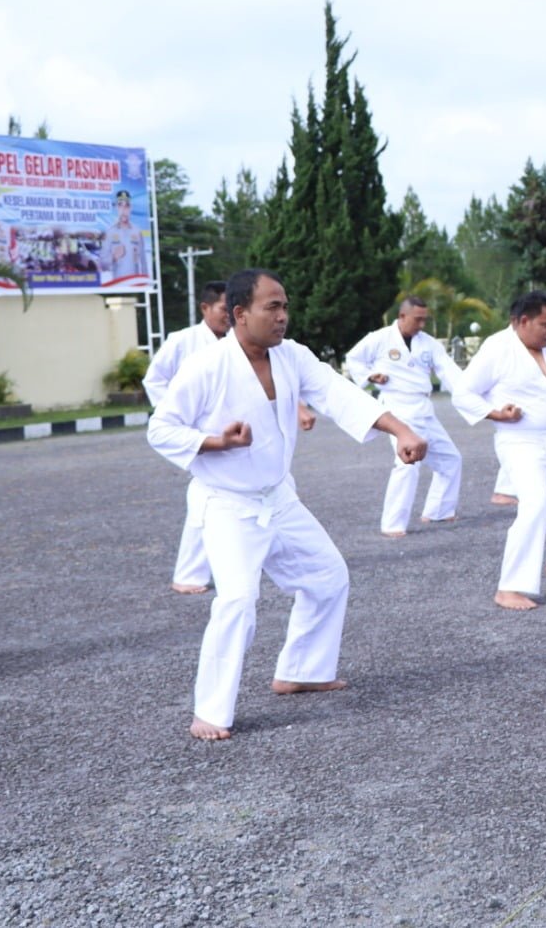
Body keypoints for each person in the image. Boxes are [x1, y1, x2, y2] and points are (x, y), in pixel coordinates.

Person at [147, 270, 428, 740]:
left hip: (278, 496)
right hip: (228, 503)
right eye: (271, 307)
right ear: (240, 314)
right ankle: (210, 712)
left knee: (327, 576)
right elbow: (160, 429)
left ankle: (301, 670)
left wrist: (400, 430)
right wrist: (216, 442)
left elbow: (341, 395)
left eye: (285, 306)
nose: (282, 316)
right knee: (237, 601)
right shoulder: (206, 366)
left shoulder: (292, 356)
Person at [451, 291, 546, 610]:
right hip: (519, 443)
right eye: (545, 324)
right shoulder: (497, 349)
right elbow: (463, 393)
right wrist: (496, 412)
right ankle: (509, 588)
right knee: (536, 502)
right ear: (522, 321)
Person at [344, 297, 466, 538]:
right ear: (401, 317)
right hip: (397, 405)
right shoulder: (379, 338)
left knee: (451, 458)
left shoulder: (429, 344)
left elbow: (449, 372)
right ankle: (393, 523)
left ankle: (439, 510)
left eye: (424, 319)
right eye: (417, 319)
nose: (422, 324)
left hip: (423, 406)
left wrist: (470, 394)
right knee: (407, 464)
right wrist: (370, 376)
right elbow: (353, 358)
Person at [144, 282, 232, 593]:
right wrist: (176, 418)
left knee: (239, 491)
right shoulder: (182, 341)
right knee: (208, 493)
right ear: (205, 308)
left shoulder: (237, 341)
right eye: (223, 309)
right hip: (195, 433)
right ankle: (189, 574)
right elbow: (154, 379)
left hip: (230, 430)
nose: (229, 317)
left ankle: (235, 560)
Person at [99, 189, 146, 282]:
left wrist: (146, 282)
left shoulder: (137, 231)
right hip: (118, 284)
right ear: (116, 207)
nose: (123, 209)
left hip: (136, 284)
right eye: (120, 205)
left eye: (127, 206)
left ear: (131, 208)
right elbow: (103, 265)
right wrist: (114, 257)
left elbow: (143, 261)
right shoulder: (110, 232)